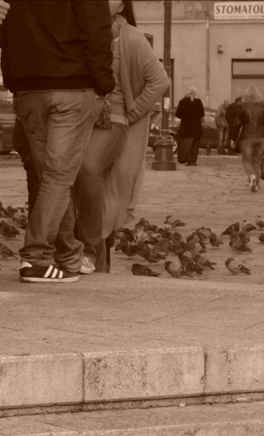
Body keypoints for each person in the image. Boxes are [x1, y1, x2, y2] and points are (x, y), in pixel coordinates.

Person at [0, 0, 114, 283]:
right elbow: (96, 31)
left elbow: (5, 31)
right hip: (72, 87)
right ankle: (35, 258)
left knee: (51, 179)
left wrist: (15, 81)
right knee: (58, 178)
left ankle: (69, 255)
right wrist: (104, 85)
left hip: (28, 89)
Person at [72, 0, 169, 273]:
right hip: (80, 120)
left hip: (112, 122)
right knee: (74, 183)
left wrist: (133, 112)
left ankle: (88, 250)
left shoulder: (132, 38)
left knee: (90, 169)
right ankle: (84, 256)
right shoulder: (83, 31)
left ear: (123, 4)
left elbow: (160, 80)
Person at [232, 86, 264, 193]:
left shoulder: (242, 107)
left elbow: (237, 124)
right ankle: (256, 185)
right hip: (262, 137)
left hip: (247, 137)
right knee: (256, 161)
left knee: (246, 160)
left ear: (245, 95)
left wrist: (233, 138)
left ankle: (251, 176)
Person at [175, 87, 204, 165]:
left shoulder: (182, 102)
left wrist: (186, 117)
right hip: (196, 126)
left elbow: (177, 114)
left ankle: (187, 159)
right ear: (193, 93)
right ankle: (193, 161)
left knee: (186, 145)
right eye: (194, 93)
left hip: (186, 127)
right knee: (195, 145)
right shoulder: (198, 102)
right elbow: (202, 114)